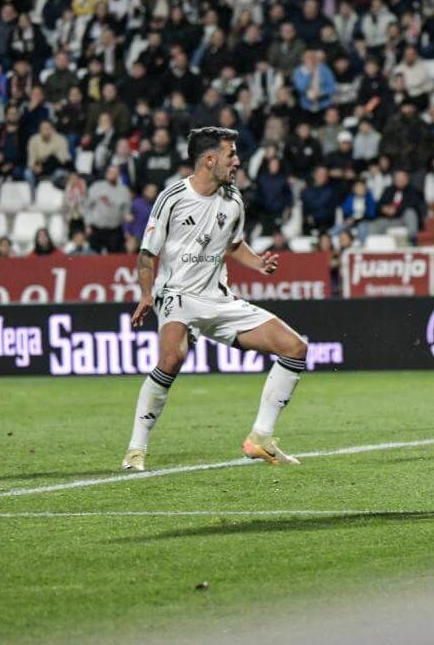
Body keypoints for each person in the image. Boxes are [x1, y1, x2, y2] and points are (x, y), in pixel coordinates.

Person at [123, 127, 308, 471]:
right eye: (231, 155)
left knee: (295, 348)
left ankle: (260, 438)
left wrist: (258, 263)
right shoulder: (173, 198)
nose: (237, 162)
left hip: (218, 299)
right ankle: (135, 450)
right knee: (171, 359)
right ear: (210, 160)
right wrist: (147, 295)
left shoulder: (233, 199)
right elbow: (147, 254)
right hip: (178, 295)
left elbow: (233, 244)